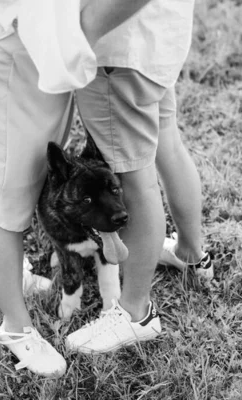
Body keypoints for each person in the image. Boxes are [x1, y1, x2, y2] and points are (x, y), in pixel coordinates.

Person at [0, 0, 155, 378]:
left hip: (40, 70)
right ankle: (16, 329)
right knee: (6, 210)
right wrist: (84, 34)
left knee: (36, 185)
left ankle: (5, 273)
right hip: (9, 74)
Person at [65, 0, 213, 354]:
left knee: (133, 179)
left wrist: (85, 29)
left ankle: (135, 314)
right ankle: (192, 255)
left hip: (116, 47)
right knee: (167, 144)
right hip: (155, 38)